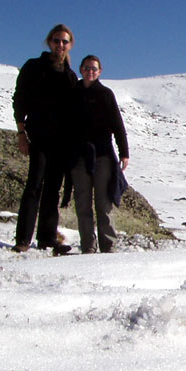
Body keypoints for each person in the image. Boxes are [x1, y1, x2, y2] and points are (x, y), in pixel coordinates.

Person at [11, 24, 77, 254]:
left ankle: (48, 238)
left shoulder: (70, 76)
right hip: (38, 136)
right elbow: (19, 99)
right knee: (34, 186)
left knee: (53, 190)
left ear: (70, 45)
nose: (60, 45)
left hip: (61, 142)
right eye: (57, 40)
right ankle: (22, 240)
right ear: (49, 42)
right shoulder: (33, 67)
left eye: (64, 42)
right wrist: (21, 132)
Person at [69, 54, 129, 253]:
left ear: (100, 72)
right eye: (86, 68)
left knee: (104, 204)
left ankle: (108, 246)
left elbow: (117, 125)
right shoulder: (73, 92)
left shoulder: (105, 94)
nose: (90, 72)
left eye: (94, 69)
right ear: (81, 69)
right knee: (82, 203)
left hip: (102, 155)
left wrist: (124, 153)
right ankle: (88, 246)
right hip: (79, 156)